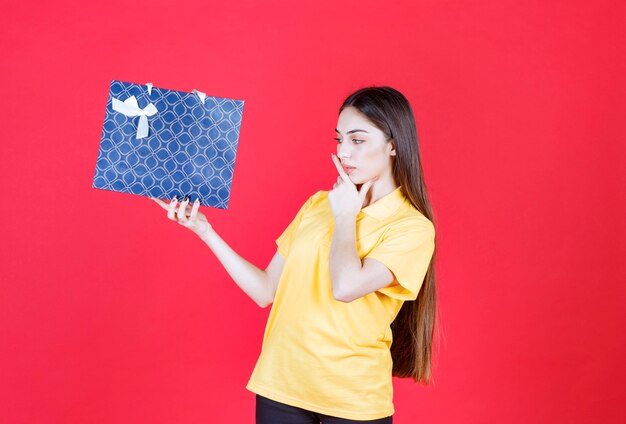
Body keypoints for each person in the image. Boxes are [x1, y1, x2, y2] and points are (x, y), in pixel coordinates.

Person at [151, 86, 438, 423]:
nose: (344, 153)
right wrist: (205, 231)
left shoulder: (412, 228)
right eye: (339, 140)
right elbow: (265, 290)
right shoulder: (318, 205)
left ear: (393, 144)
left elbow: (346, 287)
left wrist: (346, 216)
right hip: (281, 384)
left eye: (357, 140)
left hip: (353, 398)